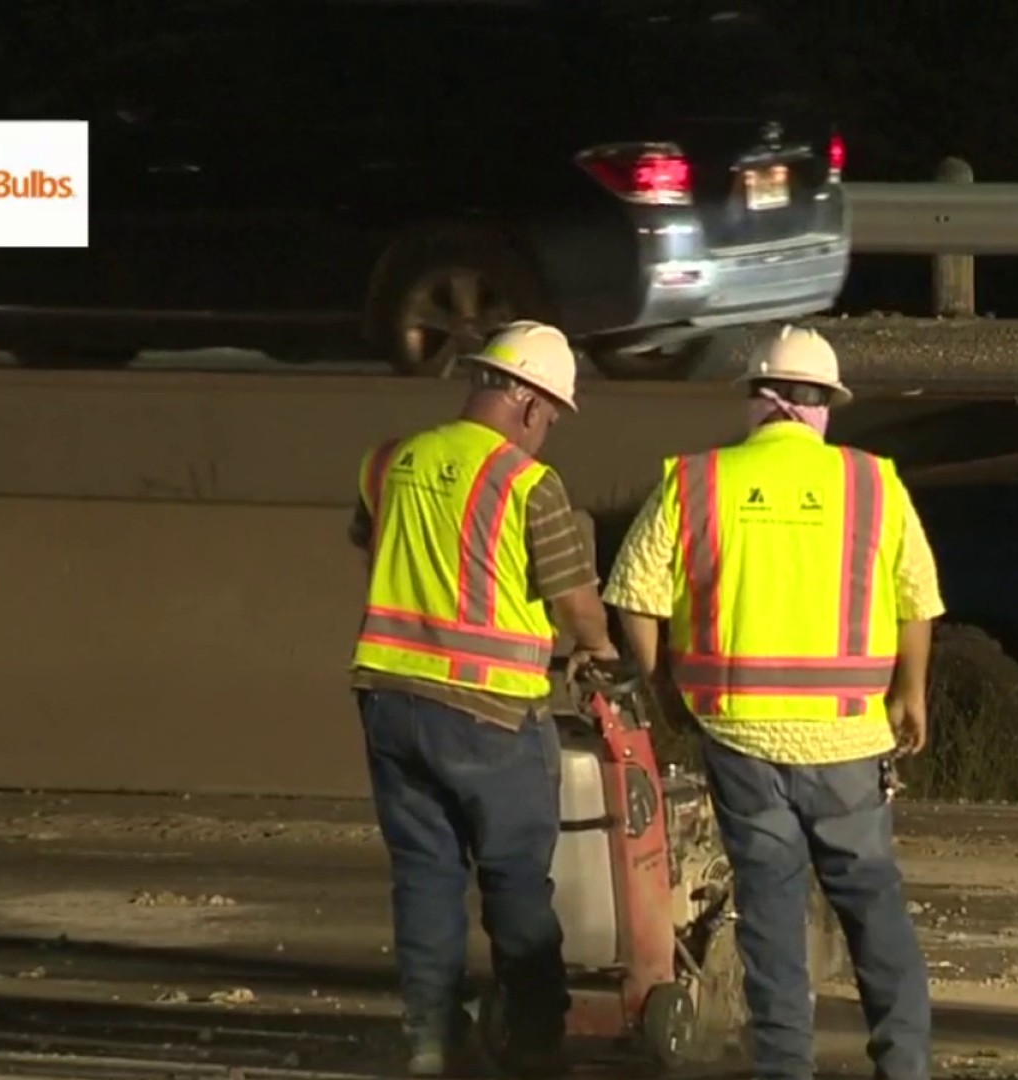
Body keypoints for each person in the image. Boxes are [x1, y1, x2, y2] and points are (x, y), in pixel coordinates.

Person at [601, 325, 944, 1080]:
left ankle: (786, 1068)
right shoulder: (871, 483)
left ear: (758, 401)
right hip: (848, 741)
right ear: (822, 406)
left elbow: (633, 595)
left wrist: (666, 687)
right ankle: (906, 1065)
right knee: (872, 908)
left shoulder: (698, 480)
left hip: (739, 732)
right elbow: (918, 598)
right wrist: (911, 691)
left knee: (772, 913)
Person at [348, 319, 618, 1078]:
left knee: (425, 875)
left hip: (389, 702)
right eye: (553, 419)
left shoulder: (388, 460)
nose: (548, 434)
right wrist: (596, 648)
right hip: (492, 715)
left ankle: (430, 1042)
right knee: (514, 882)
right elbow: (573, 602)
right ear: (533, 407)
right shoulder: (530, 485)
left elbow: (377, 547)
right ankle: (535, 1043)